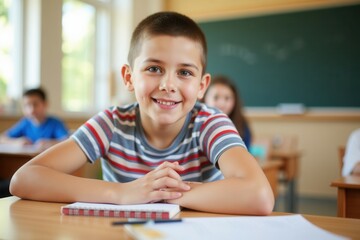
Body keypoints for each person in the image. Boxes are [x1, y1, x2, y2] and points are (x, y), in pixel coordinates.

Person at [10, 12, 274, 215]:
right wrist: (122, 193)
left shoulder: (210, 123)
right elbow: (24, 179)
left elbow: (260, 195)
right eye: (154, 69)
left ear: (202, 86)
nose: (168, 85)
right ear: (129, 77)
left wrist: (159, 193)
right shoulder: (112, 123)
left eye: (184, 72)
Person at [0, 88, 69, 148]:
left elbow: (68, 141)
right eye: (27, 105)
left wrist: (49, 143)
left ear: (45, 104)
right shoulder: (25, 123)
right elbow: (2, 138)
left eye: (35, 104)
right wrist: (17, 142)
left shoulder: (55, 123)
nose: (31, 109)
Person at [203, 75, 252, 149]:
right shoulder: (196, 123)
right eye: (215, 97)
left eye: (227, 98)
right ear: (204, 97)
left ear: (235, 100)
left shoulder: (242, 125)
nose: (221, 103)